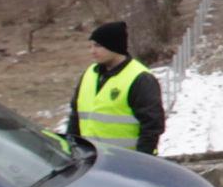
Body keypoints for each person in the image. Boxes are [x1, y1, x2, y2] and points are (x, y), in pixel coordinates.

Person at [67, 20, 166, 154]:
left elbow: (152, 126)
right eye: (90, 46)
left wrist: (142, 160)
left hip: (125, 162)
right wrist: (71, 149)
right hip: (90, 160)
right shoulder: (89, 73)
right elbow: (75, 115)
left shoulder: (140, 78)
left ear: (114, 46)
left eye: (98, 46)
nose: (92, 51)